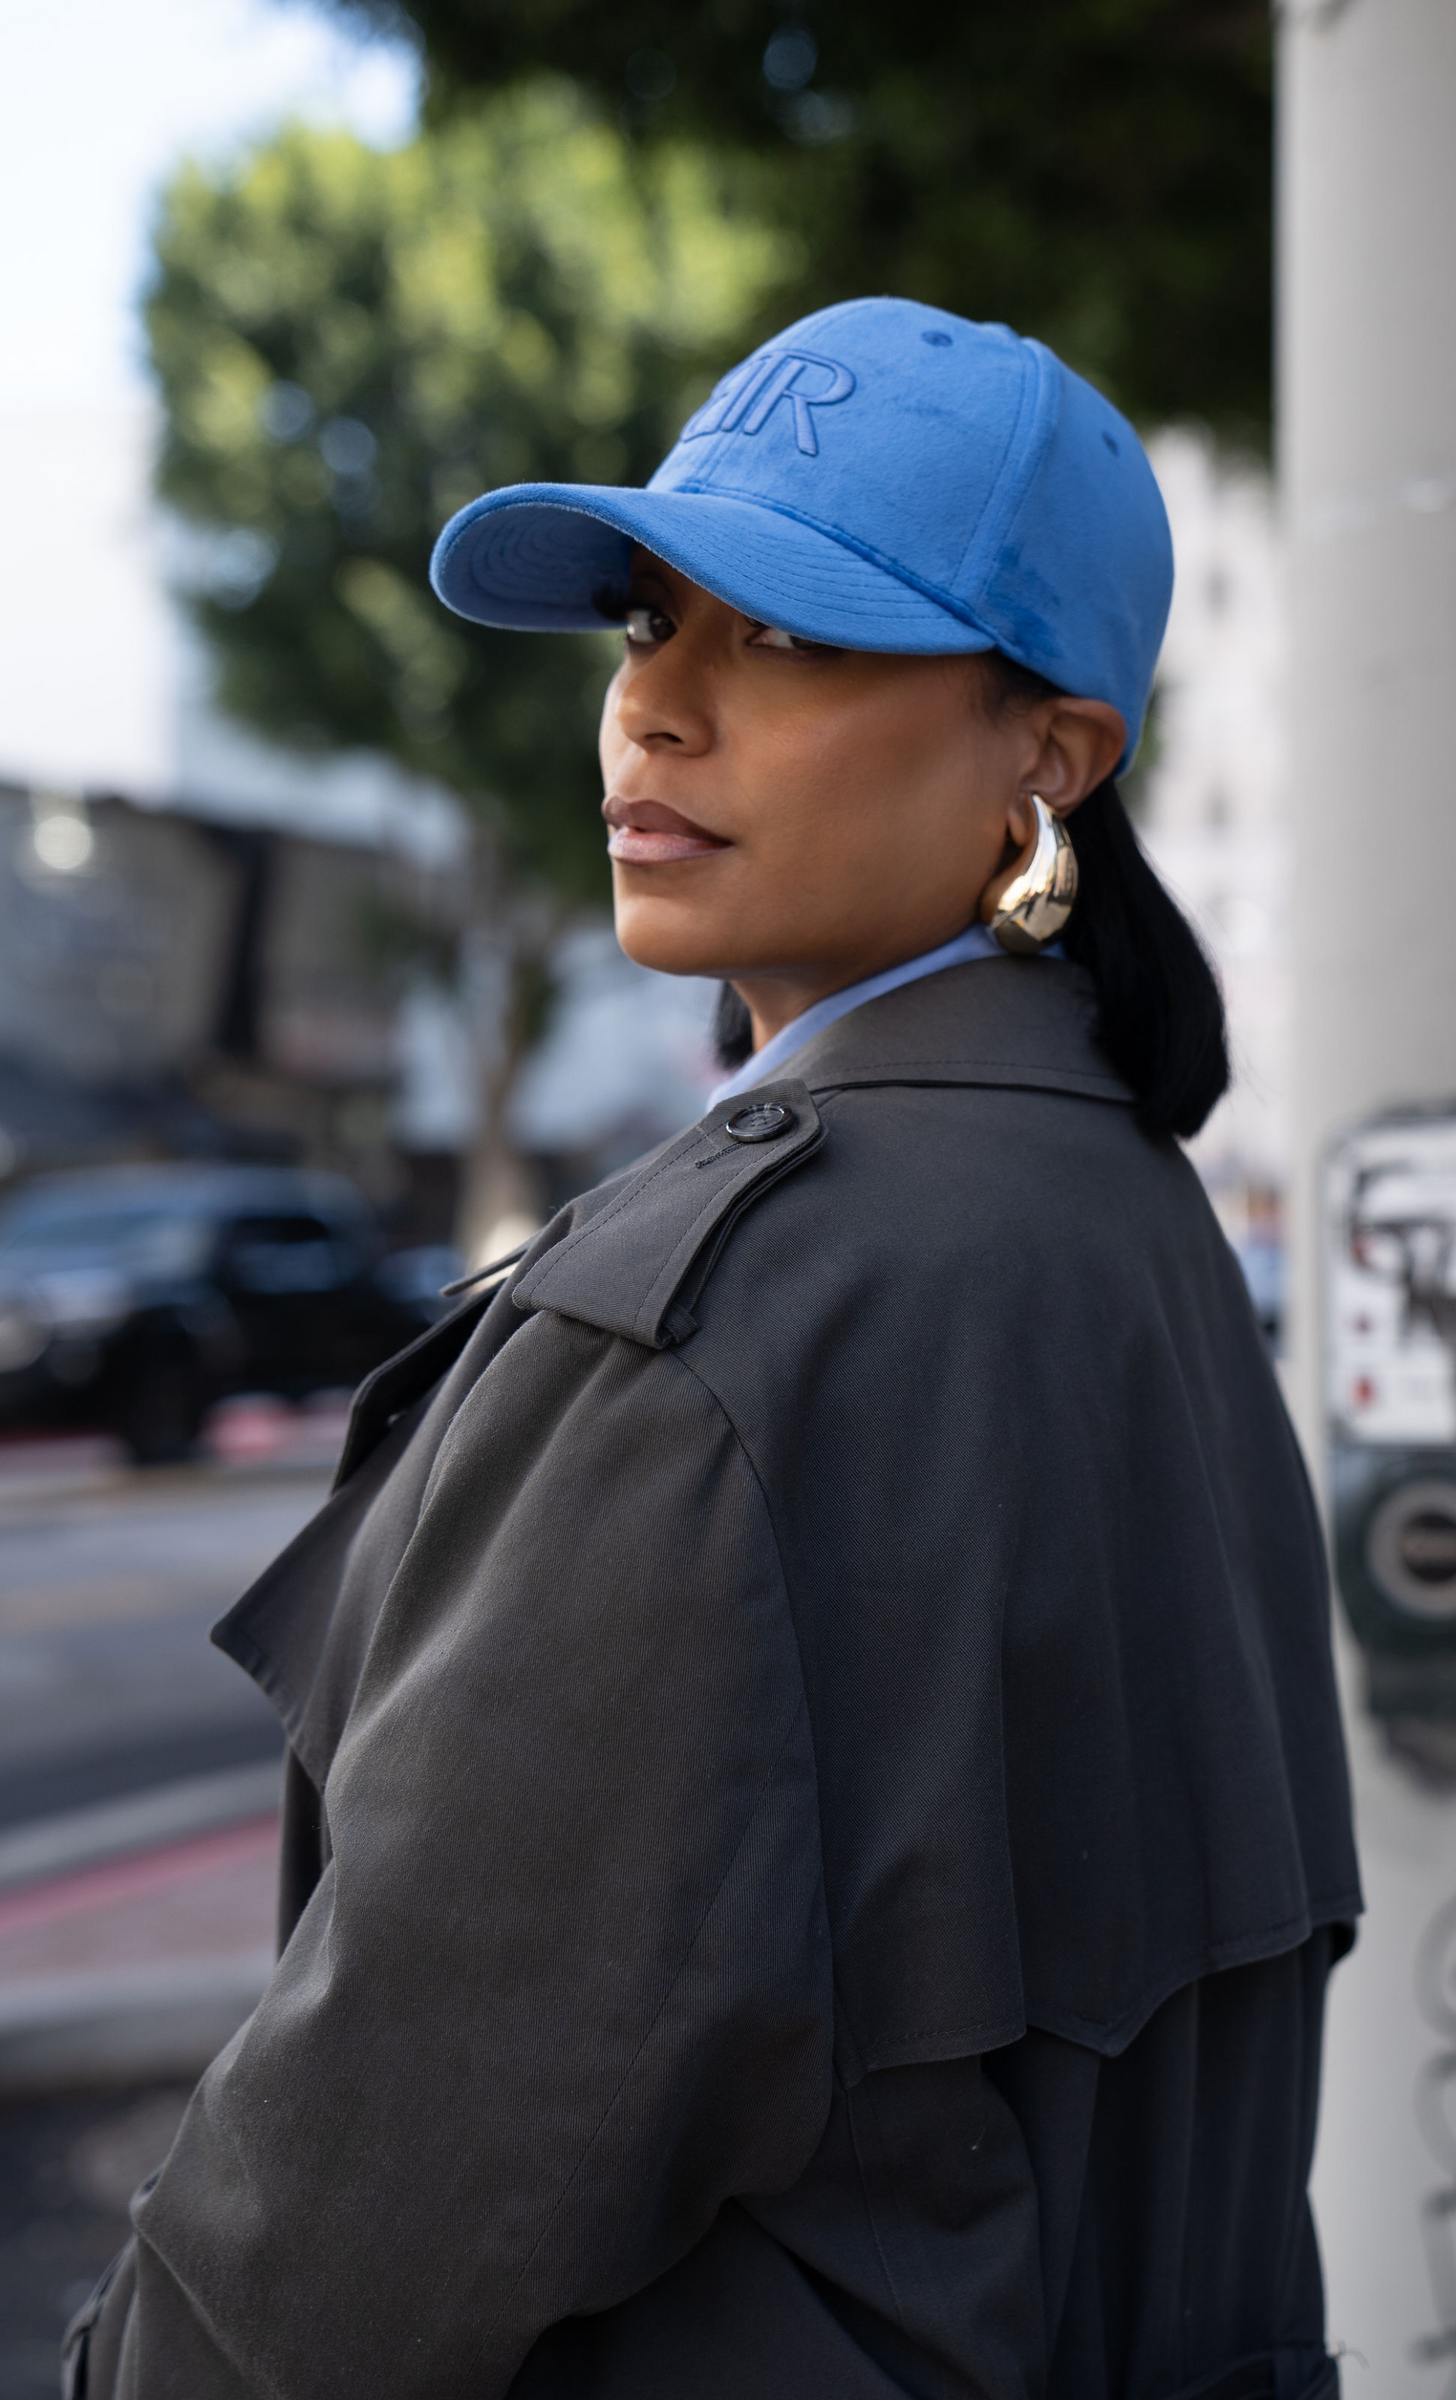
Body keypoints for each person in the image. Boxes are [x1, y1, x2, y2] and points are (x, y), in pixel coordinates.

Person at [66, 298, 1360, 2400]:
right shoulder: (1127, 1226)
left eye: (790, 639)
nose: (653, 712)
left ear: (1051, 752)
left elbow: (362, 2207)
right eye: (650, 624)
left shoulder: (725, 1317)